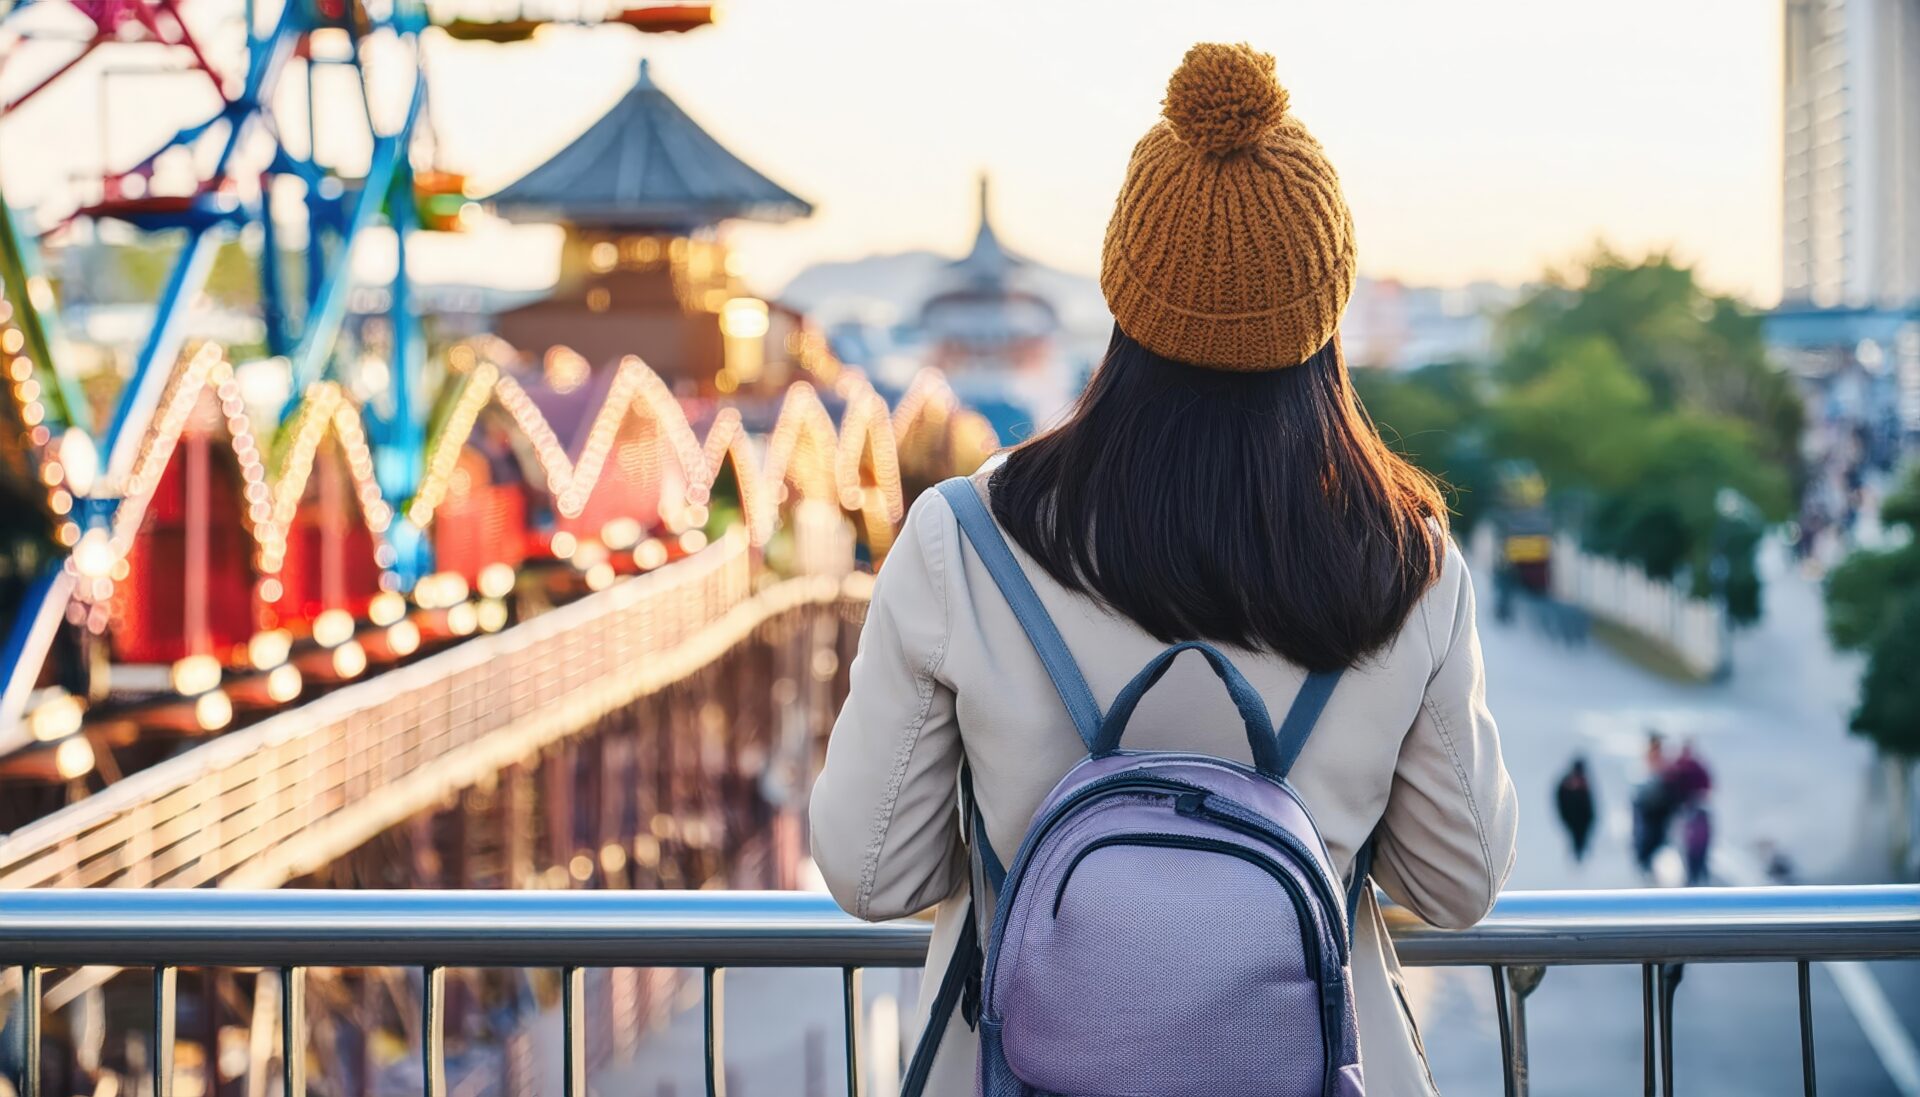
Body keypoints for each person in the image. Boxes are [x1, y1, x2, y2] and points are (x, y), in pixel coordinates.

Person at [810, 42, 1519, 1097]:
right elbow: (1457, 883)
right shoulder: (1407, 557)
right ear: (1324, 311)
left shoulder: (965, 535)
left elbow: (872, 872)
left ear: (1123, 292)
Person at [1555, 757, 1597, 862]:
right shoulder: (1565, 785)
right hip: (1572, 820)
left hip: (1582, 821)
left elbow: (1589, 807)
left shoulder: (1584, 785)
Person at [1682, 803, 1713, 886]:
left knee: (1698, 868)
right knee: (1694, 869)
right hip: (1695, 850)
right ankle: (1695, 884)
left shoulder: (1697, 821)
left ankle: (1699, 884)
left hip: (1698, 850)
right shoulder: (1696, 821)